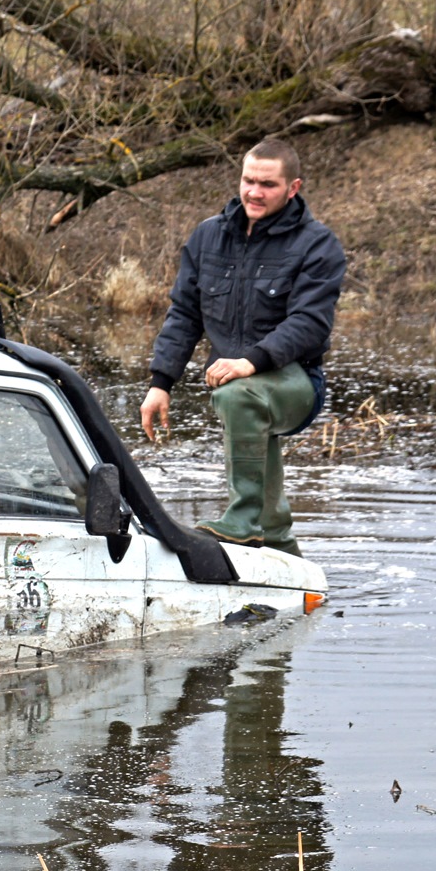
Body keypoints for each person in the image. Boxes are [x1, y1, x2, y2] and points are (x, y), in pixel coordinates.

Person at [139, 135, 345, 556]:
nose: (254, 191)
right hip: (237, 383)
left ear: (293, 188)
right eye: (249, 180)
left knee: (239, 394)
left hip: (297, 381)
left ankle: (243, 521)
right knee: (239, 396)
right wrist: (161, 381)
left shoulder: (317, 244)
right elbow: (184, 315)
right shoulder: (208, 237)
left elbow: (309, 323)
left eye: (268, 184)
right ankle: (279, 542)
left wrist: (250, 361)